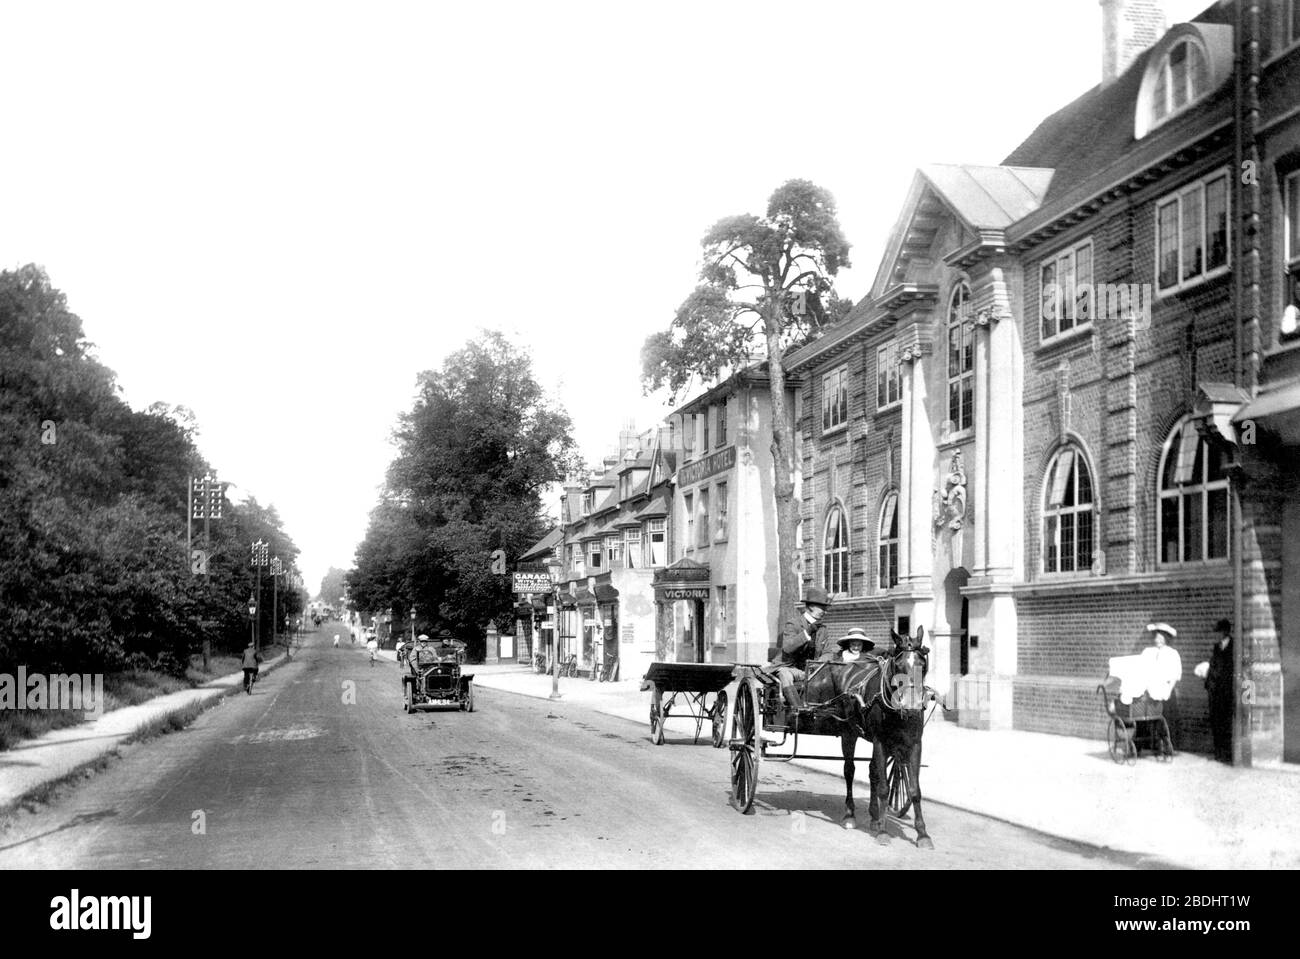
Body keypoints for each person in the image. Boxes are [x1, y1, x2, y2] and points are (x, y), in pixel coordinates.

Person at [768, 587, 831, 712]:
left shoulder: (822, 629)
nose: (825, 611)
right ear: (811, 606)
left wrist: (818, 664)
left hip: (811, 670)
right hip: (790, 667)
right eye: (822, 608)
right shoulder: (793, 624)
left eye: (825, 608)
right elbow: (788, 647)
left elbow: (828, 652)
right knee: (784, 674)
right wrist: (807, 632)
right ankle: (797, 709)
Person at [1141, 622, 1182, 746]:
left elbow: (1175, 674)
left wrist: (1169, 689)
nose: (1157, 640)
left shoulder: (1172, 653)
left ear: (1166, 639)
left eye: (1160, 638)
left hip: (1166, 691)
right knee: (1149, 717)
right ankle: (1153, 744)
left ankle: (1168, 745)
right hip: (1151, 691)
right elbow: (1141, 668)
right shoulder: (1148, 652)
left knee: (1167, 718)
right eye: (1156, 637)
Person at [1203, 618, 1234, 763]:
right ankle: (1218, 752)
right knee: (1215, 721)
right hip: (1215, 690)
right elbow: (1213, 665)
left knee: (1226, 722)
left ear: (1226, 631)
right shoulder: (1217, 647)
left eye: (1220, 632)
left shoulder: (1234, 646)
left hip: (1227, 690)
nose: (1218, 635)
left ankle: (1227, 753)